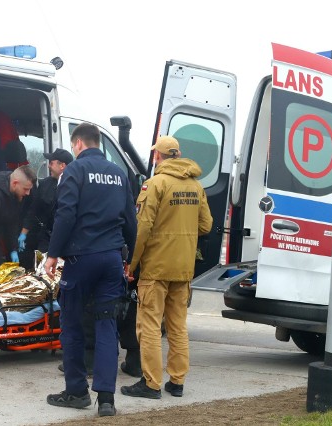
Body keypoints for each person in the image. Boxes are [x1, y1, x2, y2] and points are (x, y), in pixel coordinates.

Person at [44, 123, 137, 417]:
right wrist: (132, 258)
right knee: (106, 323)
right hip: (111, 259)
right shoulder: (119, 174)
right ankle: (107, 399)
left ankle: (76, 392)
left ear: (79, 144)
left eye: (73, 147)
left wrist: (53, 254)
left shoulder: (74, 171)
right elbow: (131, 221)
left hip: (80, 260)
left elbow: (66, 214)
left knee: (71, 324)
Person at [121, 135, 212, 399]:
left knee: (148, 325)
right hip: (183, 268)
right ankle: (177, 381)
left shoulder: (155, 184)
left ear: (158, 157)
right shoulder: (196, 186)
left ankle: (150, 383)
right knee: (177, 326)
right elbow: (205, 226)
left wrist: (132, 265)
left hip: (156, 268)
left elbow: (143, 229)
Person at [18, 148, 73, 269]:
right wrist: (23, 234)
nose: (48, 166)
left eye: (51, 163)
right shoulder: (45, 184)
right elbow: (33, 210)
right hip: (46, 238)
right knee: (43, 272)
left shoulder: (75, 185)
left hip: (68, 241)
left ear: (62, 166)